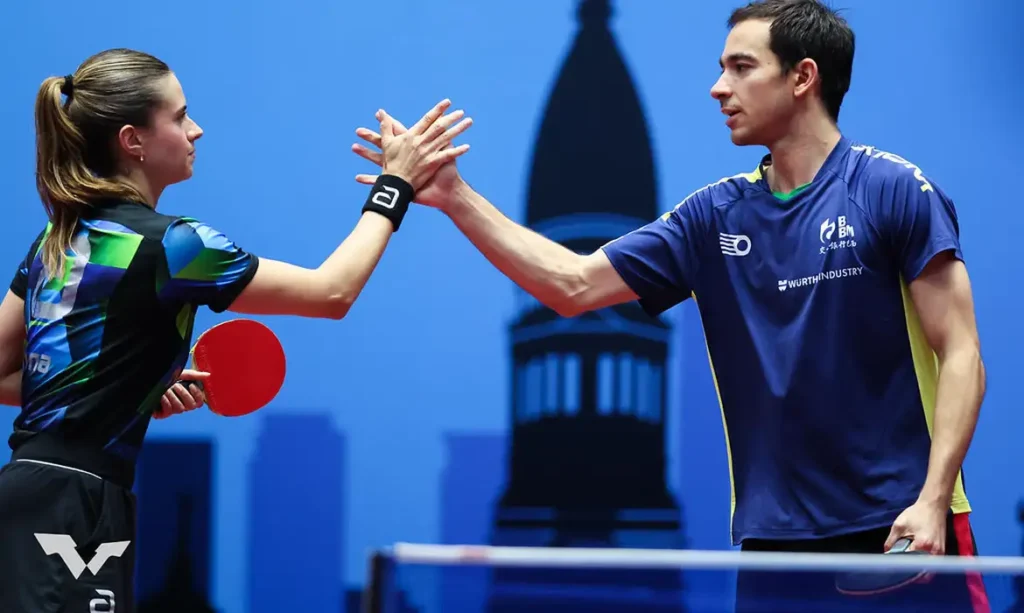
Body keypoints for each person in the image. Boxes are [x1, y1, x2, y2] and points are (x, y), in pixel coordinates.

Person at [351, 0, 989, 610]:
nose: (718, 88)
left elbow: (961, 352)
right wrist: (455, 196)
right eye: (721, 68)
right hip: (775, 545)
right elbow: (571, 285)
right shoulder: (712, 217)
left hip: (903, 531)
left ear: (802, 78)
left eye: (741, 67)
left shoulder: (893, 191)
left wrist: (933, 499)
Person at [0, 47, 471, 613]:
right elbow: (332, 293)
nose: (195, 129)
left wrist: (128, 391)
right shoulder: (178, 246)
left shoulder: (57, 241)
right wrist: (395, 185)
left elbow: (9, 377)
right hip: (75, 510)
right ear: (133, 140)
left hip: (26, 493)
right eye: (179, 116)